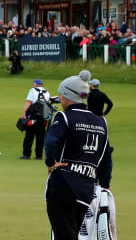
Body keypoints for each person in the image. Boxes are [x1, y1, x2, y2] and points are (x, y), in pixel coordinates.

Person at [44, 72, 112, 240]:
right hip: (86, 189)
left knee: (64, 235)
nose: (59, 97)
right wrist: (105, 183)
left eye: (61, 94)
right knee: (71, 232)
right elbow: (106, 157)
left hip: (63, 185)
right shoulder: (101, 121)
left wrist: (51, 162)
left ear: (68, 95)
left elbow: (51, 140)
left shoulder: (64, 116)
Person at [20, 78, 51, 160]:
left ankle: (26, 154)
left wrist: (24, 113)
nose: (33, 85)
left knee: (29, 135)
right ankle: (39, 155)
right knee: (40, 136)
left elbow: (29, 102)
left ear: (36, 84)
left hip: (33, 118)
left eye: (34, 84)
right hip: (42, 118)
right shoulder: (47, 92)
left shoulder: (32, 90)